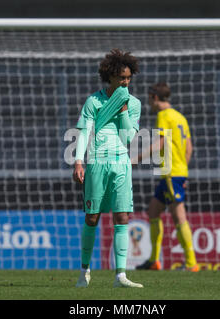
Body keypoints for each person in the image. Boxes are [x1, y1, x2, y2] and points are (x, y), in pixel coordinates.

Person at [72, 49, 143, 288]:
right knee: (92, 217)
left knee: (122, 216)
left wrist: (122, 109)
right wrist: (79, 161)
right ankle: (84, 271)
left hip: (121, 162)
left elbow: (129, 138)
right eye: (121, 78)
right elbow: (84, 132)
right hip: (97, 162)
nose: (125, 82)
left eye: (128, 78)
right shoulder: (94, 101)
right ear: (110, 77)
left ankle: (120, 275)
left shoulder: (133, 104)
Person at [135, 82, 199, 272]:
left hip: (172, 174)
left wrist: (136, 158)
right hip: (173, 173)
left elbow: (160, 143)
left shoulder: (163, 116)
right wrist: (182, 169)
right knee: (153, 211)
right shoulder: (180, 117)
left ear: (154, 97)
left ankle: (191, 263)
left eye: (149, 99)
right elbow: (189, 148)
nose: (149, 104)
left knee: (179, 217)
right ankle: (154, 260)